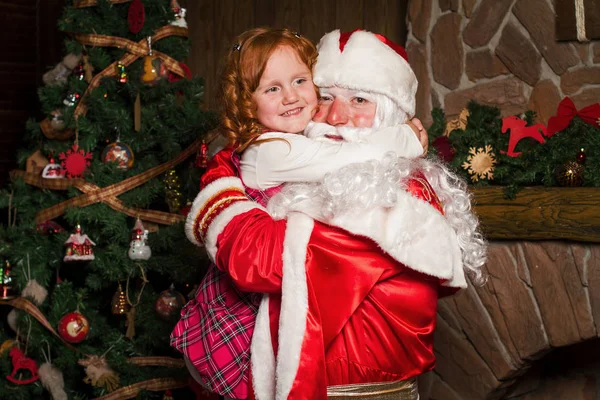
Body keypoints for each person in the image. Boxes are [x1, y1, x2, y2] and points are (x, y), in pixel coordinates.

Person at [180, 29, 486, 400]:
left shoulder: (389, 194)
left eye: (359, 99)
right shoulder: (311, 165)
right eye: (326, 97)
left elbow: (260, 259)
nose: (337, 117)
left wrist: (221, 190)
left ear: (391, 115)